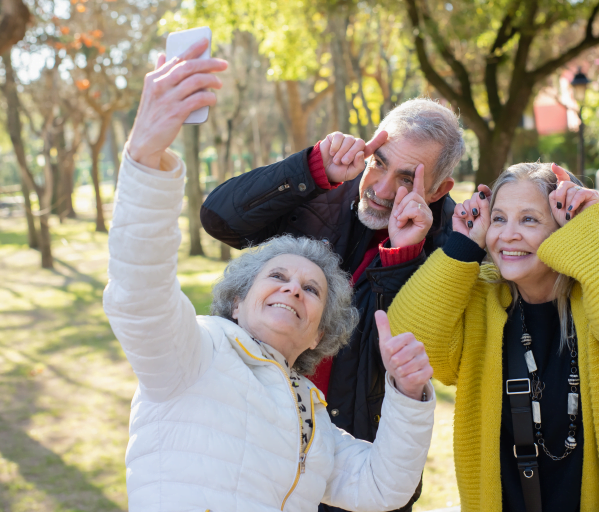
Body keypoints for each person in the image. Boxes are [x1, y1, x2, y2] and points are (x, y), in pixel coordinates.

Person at [104, 38, 437, 512]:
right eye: (277, 275)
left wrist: (408, 395)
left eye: (311, 289)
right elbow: (138, 294)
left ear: (322, 331)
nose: (292, 289)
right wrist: (144, 155)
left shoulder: (313, 418)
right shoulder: (195, 354)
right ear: (237, 301)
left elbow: (383, 487)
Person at [201, 79, 464, 511]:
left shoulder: (451, 242)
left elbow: (396, 350)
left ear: (437, 190)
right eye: (378, 163)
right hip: (259, 434)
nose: (380, 188)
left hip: (355, 463)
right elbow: (219, 219)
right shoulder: (326, 187)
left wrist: (401, 256)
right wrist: (310, 169)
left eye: (405, 179)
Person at [386, 162, 599, 512]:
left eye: (529, 219)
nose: (508, 234)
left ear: (564, 230)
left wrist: (591, 226)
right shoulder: (481, 298)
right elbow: (410, 343)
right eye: (499, 219)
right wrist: (463, 245)